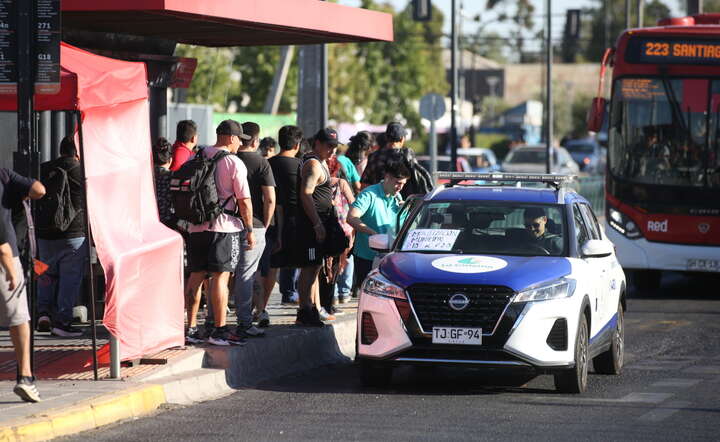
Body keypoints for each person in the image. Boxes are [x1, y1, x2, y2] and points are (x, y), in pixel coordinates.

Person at [185, 120, 254, 346]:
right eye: (238, 141)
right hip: (224, 227)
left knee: (196, 275)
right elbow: (244, 201)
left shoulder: (197, 155)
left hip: (195, 226)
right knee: (220, 277)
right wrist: (250, 228)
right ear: (232, 138)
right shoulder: (233, 162)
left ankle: (191, 328)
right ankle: (219, 330)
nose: (239, 146)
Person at [0, 167, 45, 402]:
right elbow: (39, 189)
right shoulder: (4, 174)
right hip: (5, 254)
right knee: (18, 318)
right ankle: (25, 377)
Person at [36, 137, 88, 337]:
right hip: (74, 235)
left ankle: (43, 314)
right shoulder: (82, 171)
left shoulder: (44, 169)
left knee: (44, 273)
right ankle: (62, 321)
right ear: (78, 152)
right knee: (69, 278)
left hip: (43, 234)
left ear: (60, 150)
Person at [232, 121, 275, 336]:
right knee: (247, 273)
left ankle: (215, 321)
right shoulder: (261, 163)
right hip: (255, 224)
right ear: (256, 141)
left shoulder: (229, 160)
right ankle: (245, 321)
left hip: (228, 223)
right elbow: (270, 198)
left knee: (223, 274)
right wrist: (265, 224)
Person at [296, 128, 342, 326]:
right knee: (309, 268)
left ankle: (311, 307)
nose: (332, 150)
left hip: (320, 224)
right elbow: (306, 194)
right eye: (329, 146)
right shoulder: (313, 164)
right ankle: (305, 309)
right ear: (318, 143)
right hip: (311, 227)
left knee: (315, 268)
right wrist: (316, 224)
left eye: (335, 147)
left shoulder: (321, 163)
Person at [348, 160, 410, 293]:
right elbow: (352, 217)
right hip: (368, 257)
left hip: (390, 258)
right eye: (398, 183)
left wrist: (406, 211)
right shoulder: (369, 194)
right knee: (369, 297)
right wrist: (372, 233)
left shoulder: (398, 197)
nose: (400, 187)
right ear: (387, 177)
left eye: (403, 184)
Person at [266, 125, 304, 308]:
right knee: (295, 258)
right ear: (297, 144)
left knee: (272, 262)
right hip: (294, 217)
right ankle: (290, 293)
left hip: (270, 217)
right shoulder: (300, 165)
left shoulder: (269, 163)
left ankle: (264, 304)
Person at [361, 121, 432, 197]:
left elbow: (365, 183)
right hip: (403, 203)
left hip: (377, 200)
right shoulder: (407, 155)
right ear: (402, 139)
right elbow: (418, 178)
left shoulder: (374, 156)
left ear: (386, 138)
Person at [152, 137, 176, 229]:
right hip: (169, 222)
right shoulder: (174, 177)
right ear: (170, 160)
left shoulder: (146, 176)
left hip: (148, 221)